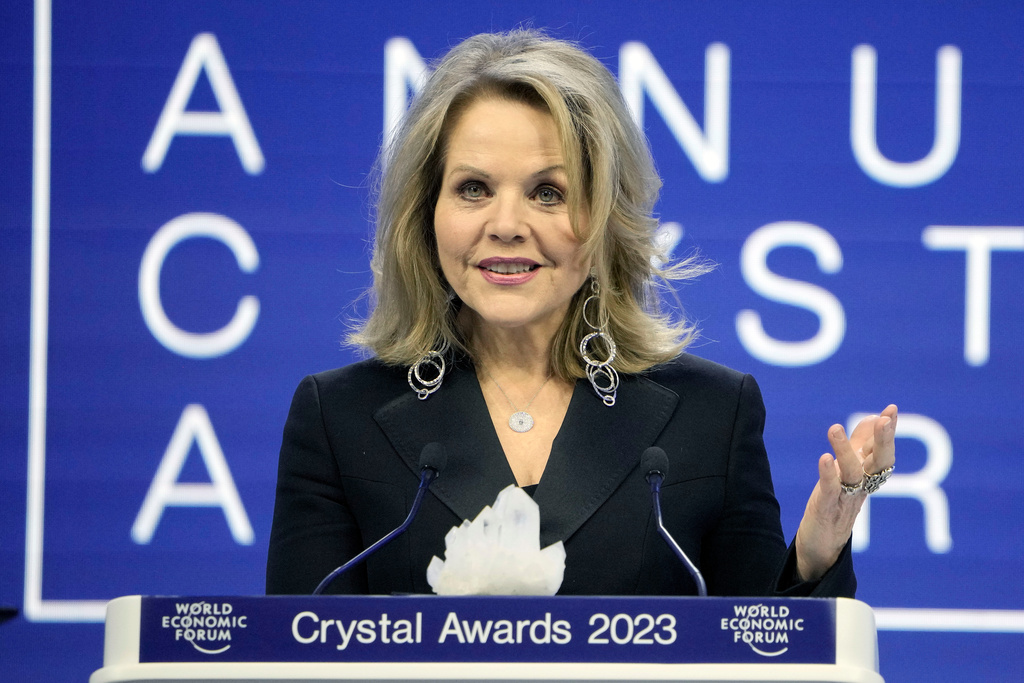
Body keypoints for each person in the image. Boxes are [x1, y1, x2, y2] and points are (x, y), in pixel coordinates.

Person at [266, 29, 897, 597]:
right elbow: (295, 654)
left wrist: (814, 561)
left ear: (606, 222)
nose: (506, 225)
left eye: (548, 193)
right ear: (426, 214)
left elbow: (759, 657)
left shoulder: (711, 415)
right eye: (473, 189)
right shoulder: (339, 419)